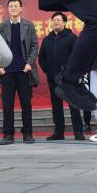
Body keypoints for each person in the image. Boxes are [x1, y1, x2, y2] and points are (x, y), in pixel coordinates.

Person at [0, 0, 39, 145]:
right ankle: (8, 134)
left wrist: (29, 63)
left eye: (16, 6)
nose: (13, 8)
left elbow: (34, 46)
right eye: (11, 6)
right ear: (8, 9)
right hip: (6, 72)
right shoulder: (1, 27)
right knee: (7, 105)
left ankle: (27, 133)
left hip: (24, 71)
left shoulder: (28, 25)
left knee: (26, 104)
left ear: (21, 8)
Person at [38, 12, 84, 141]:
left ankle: (78, 132)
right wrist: (48, 70)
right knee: (56, 107)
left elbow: (78, 56)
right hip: (53, 79)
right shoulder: (47, 40)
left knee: (73, 106)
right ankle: (59, 132)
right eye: (54, 20)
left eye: (59, 20)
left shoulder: (71, 38)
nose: (56, 22)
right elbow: (41, 58)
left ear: (64, 22)